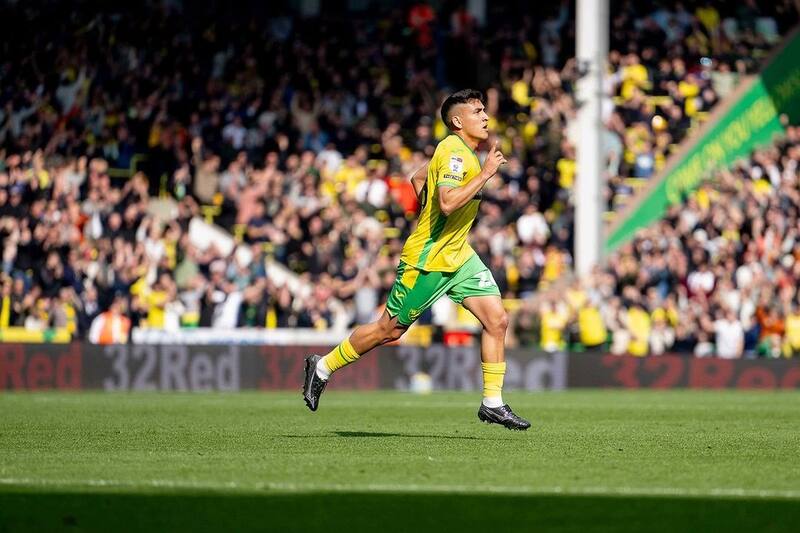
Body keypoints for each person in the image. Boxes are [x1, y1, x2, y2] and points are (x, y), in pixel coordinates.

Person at [303, 89, 530, 430]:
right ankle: (322, 367)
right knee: (389, 330)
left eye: (485, 111)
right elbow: (449, 203)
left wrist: (432, 216)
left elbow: (418, 178)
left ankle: (492, 403)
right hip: (429, 259)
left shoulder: (459, 152)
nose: (485, 116)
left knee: (497, 320)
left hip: (458, 254)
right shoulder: (454, 152)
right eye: (478, 111)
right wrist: (483, 176)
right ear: (458, 121)